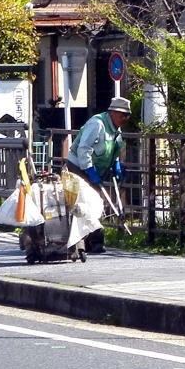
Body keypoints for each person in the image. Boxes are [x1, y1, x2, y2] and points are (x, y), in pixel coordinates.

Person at [66, 96, 131, 253]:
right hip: (78, 167)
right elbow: (83, 148)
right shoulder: (97, 124)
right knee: (89, 203)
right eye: (123, 115)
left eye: (127, 115)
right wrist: (89, 170)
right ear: (113, 113)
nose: (125, 118)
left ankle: (89, 240)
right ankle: (94, 242)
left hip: (96, 169)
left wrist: (115, 163)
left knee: (93, 204)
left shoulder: (115, 129)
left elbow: (112, 149)